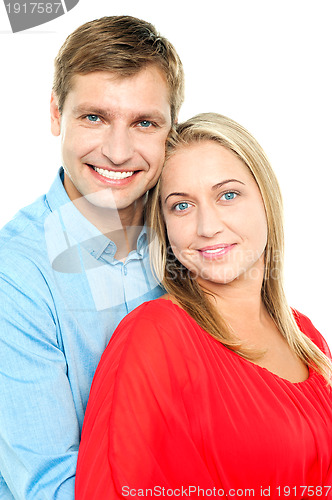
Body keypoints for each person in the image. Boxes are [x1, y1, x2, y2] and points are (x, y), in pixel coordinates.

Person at [75, 113, 332, 499]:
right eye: (181, 206)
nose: (207, 226)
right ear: (163, 226)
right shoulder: (154, 338)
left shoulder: (305, 335)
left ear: (266, 197)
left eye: (228, 195)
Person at [0, 16, 184, 499]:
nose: (118, 152)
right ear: (57, 114)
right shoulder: (15, 275)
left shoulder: (190, 238)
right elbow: (49, 489)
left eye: (144, 123)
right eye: (94, 117)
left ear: (171, 130)